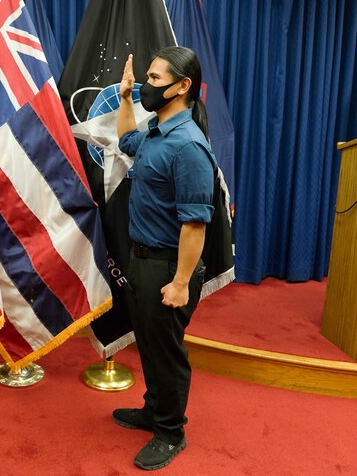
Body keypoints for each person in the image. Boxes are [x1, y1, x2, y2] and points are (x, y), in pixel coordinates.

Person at [111, 47, 216, 471]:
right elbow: (124, 141)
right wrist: (122, 99)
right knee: (151, 347)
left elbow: (195, 226)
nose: (145, 86)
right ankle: (154, 410)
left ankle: (171, 431)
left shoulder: (189, 146)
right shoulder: (157, 131)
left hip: (169, 267)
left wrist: (180, 282)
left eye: (154, 79)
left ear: (182, 86)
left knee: (167, 353)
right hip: (143, 260)